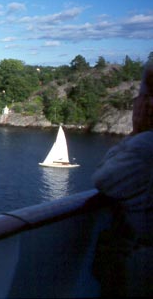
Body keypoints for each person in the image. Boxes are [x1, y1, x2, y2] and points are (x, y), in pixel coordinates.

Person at [92, 61, 153, 297]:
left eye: (140, 97)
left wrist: (138, 132)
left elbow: (102, 179)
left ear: (147, 105)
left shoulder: (145, 147)